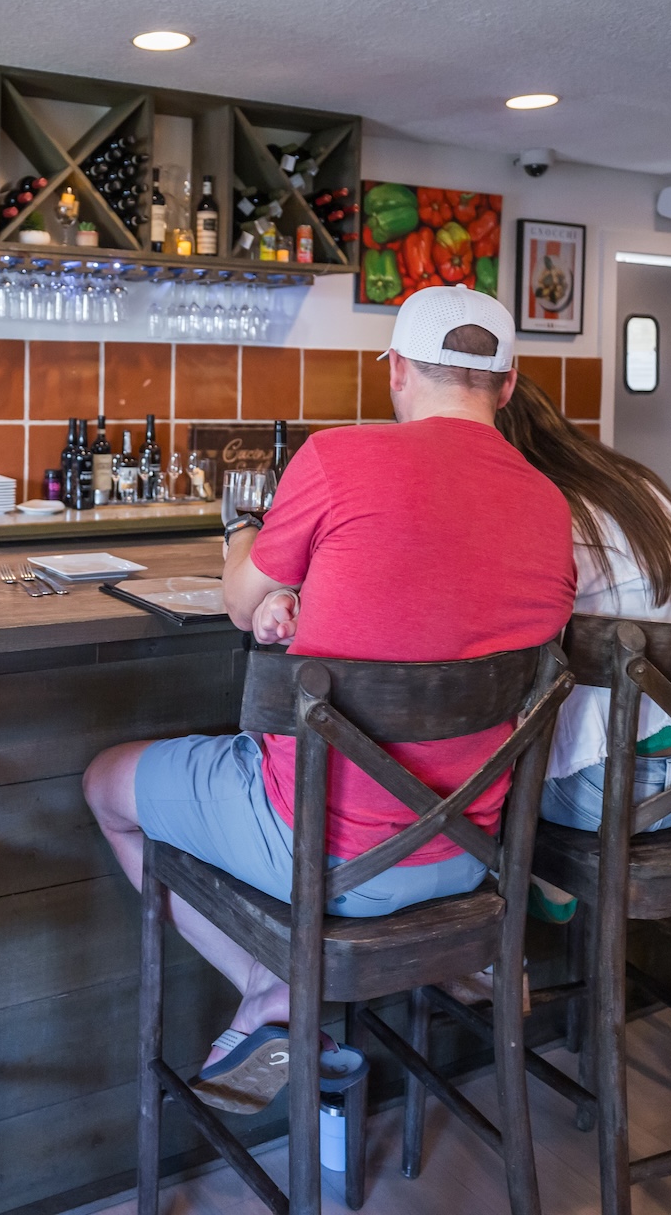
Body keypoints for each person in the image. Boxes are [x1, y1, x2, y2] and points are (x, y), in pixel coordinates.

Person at [81, 286, 574, 1113]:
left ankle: (272, 988)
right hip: (475, 858)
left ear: (396, 372)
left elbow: (241, 603)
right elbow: (442, 614)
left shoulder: (339, 457)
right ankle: (436, 968)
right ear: (511, 384)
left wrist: (239, 536)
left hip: (321, 851)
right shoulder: (550, 503)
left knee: (106, 784)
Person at [495, 375, 671, 834]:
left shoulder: (549, 509)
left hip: (602, 788)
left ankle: (524, 891)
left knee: (463, 781)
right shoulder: (636, 484)